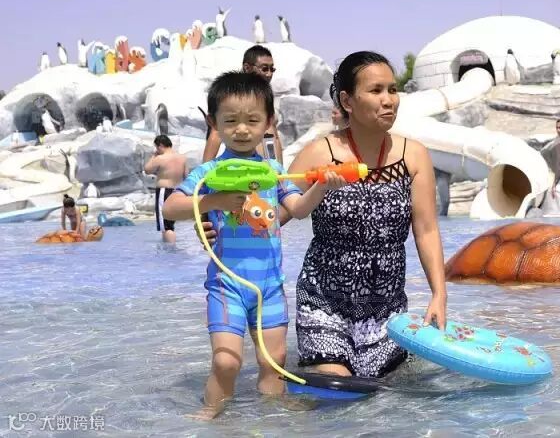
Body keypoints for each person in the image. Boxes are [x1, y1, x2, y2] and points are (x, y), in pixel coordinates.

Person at [163, 71, 347, 420]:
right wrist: (214, 201)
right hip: (227, 284)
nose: (242, 129)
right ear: (214, 123)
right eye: (230, 121)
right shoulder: (208, 172)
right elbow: (170, 208)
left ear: (269, 122)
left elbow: (298, 209)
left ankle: (273, 415)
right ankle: (212, 411)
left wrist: (322, 186)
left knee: (273, 361)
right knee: (226, 361)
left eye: (252, 120)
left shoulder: (274, 171)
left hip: (270, 284)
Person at [289, 50, 448, 378]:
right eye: (376, 90)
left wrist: (439, 294)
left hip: (387, 310)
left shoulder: (414, 156)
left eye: (392, 89)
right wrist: (223, 221)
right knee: (338, 387)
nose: (389, 100)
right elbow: (273, 214)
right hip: (324, 303)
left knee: (385, 397)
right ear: (347, 101)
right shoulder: (320, 153)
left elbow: (427, 230)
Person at [202, 45, 284, 164]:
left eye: (272, 69)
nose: (269, 74)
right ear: (247, 67)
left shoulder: (264, 97)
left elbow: (274, 138)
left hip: (267, 169)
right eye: (264, 69)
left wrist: (280, 169)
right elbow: (215, 135)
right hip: (245, 169)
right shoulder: (234, 98)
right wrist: (205, 169)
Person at [143, 135, 188, 243]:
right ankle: (169, 247)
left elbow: (147, 170)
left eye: (156, 147)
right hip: (177, 191)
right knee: (170, 222)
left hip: (164, 191)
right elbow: (186, 176)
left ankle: (169, 251)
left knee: (166, 226)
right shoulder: (182, 158)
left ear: (161, 145)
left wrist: (153, 156)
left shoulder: (160, 158)